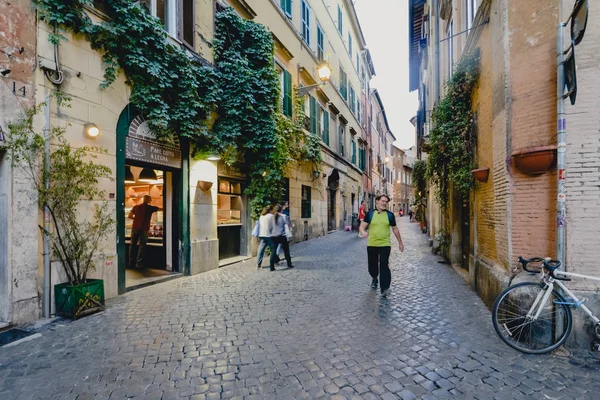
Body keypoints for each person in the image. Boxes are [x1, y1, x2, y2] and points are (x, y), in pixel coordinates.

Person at [359, 194, 404, 297]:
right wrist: (363, 232)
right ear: (377, 202)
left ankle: (385, 288)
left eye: (386, 202)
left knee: (384, 265)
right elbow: (362, 227)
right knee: (372, 266)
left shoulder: (390, 215)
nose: (384, 203)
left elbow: (395, 229)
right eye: (383, 201)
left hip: (385, 244)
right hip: (372, 244)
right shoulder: (370, 214)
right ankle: (374, 278)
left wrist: (400, 242)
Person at [128, 195, 162, 269]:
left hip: (135, 227)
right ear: (149, 200)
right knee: (142, 246)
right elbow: (160, 209)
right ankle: (139, 263)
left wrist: (136, 219)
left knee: (132, 245)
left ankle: (131, 262)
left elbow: (129, 215)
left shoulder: (136, 207)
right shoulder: (150, 208)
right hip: (144, 228)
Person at [272, 204, 294, 268]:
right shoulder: (284, 216)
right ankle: (289, 264)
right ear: (281, 210)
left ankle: (273, 265)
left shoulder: (272, 216)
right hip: (282, 234)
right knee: (286, 251)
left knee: (275, 249)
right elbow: (289, 224)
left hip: (274, 235)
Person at [256, 205, 277, 271]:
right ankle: (274, 262)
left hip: (262, 234)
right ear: (270, 210)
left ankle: (258, 264)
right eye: (273, 209)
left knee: (261, 249)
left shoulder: (261, 216)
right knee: (273, 249)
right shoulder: (271, 216)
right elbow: (273, 226)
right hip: (269, 235)